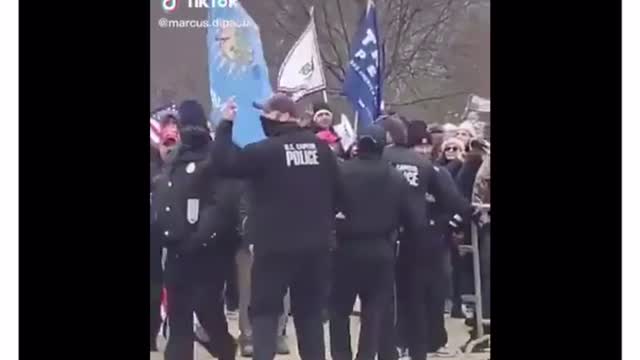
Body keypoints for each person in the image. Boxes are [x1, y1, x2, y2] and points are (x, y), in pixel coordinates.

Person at [212, 94, 345, 360]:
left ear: (284, 117)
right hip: (316, 247)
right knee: (310, 317)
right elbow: (340, 194)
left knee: (264, 313)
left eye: (268, 114)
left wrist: (225, 125)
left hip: (274, 247)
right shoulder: (321, 150)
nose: (263, 119)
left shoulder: (263, 151)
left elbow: (224, 163)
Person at [152, 100, 241, 360]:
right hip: (177, 250)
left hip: (210, 252)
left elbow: (224, 200)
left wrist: (202, 235)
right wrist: (168, 230)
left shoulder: (218, 155)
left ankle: (225, 348)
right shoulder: (174, 159)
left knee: (208, 311)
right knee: (179, 319)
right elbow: (165, 196)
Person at [381, 116, 471, 360]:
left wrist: (449, 223)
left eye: (426, 145)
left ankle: (428, 342)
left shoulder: (435, 171)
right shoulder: (406, 166)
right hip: (401, 238)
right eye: (417, 145)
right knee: (404, 296)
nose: (422, 150)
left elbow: (454, 202)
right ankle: (403, 343)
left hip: (429, 240)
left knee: (430, 293)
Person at [329, 124, 414, 360]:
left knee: (338, 310)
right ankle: (365, 356)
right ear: (382, 146)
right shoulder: (396, 178)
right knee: (374, 312)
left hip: (344, 248)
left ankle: (340, 356)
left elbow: (327, 207)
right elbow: (411, 217)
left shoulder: (341, 172)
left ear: (358, 145)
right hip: (381, 249)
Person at [235, 184, 292, 357]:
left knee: (284, 291)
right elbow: (243, 210)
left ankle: (279, 333)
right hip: (251, 241)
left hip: (282, 242)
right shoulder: (250, 178)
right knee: (248, 291)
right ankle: (248, 336)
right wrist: (250, 238)